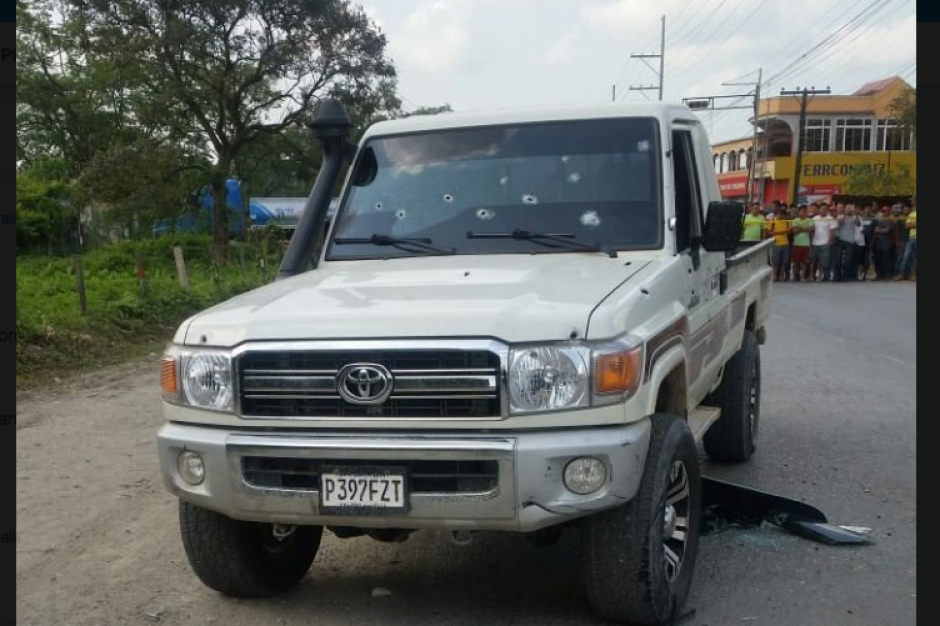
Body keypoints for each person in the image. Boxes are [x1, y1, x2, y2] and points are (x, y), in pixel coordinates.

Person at [832, 204, 860, 282]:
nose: (849, 210)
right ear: (844, 209)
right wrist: (845, 215)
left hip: (850, 241)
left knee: (848, 260)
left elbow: (858, 224)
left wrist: (855, 214)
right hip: (840, 240)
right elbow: (839, 224)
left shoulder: (854, 217)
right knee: (838, 259)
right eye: (847, 208)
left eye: (850, 208)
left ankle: (845, 276)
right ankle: (837, 276)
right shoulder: (841, 216)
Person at [811, 203, 837, 281]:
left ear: (827, 210)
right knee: (814, 261)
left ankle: (823, 276)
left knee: (824, 262)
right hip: (815, 243)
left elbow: (832, 231)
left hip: (825, 243)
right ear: (819, 210)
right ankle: (812, 276)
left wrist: (829, 241)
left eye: (825, 209)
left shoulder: (830, 218)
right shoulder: (815, 218)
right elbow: (811, 229)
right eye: (822, 208)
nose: (824, 210)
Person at [872, 205, 898, 280]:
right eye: (883, 211)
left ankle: (887, 275)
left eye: (885, 210)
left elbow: (887, 231)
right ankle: (879, 275)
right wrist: (882, 230)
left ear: (889, 211)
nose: (884, 212)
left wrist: (880, 230)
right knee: (878, 260)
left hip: (887, 243)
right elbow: (875, 230)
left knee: (887, 260)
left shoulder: (891, 220)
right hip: (878, 243)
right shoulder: (879, 220)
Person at [790, 206, 813, 282]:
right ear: (799, 212)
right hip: (797, 243)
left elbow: (810, 229)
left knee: (804, 262)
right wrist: (804, 228)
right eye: (802, 211)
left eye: (805, 211)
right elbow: (795, 231)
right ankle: (795, 277)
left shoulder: (810, 220)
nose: (803, 213)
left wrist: (799, 227)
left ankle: (802, 277)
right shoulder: (795, 220)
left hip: (806, 244)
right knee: (795, 262)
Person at [768, 204, 791, 281]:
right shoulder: (773, 221)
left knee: (784, 262)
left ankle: (781, 276)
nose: (781, 216)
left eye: (783, 215)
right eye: (779, 214)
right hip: (776, 243)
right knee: (775, 262)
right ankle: (774, 275)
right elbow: (769, 233)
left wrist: (779, 232)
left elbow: (789, 232)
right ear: (777, 214)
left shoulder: (787, 222)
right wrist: (782, 232)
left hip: (785, 243)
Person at [896, 197, 917, 281]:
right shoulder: (911, 213)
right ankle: (901, 274)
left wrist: (913, 223)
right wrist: (914, 224)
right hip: (911, 238)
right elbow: (907, 225)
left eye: (912, 200)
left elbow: (910, 225)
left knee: (915, 258)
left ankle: (913, 275)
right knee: (906, 256)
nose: (911, 202)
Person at [893, 205, 910, 279]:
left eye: (907, 209)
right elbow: (896, 231)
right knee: (900, 257)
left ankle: (906, 274)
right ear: (902, 210)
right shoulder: (900, 218)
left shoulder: (910, 217)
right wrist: (897, 241)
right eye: (905, 209)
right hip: (901, 240)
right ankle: (897, 273)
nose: (906, 211)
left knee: (908, 257)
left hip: (909, 239)